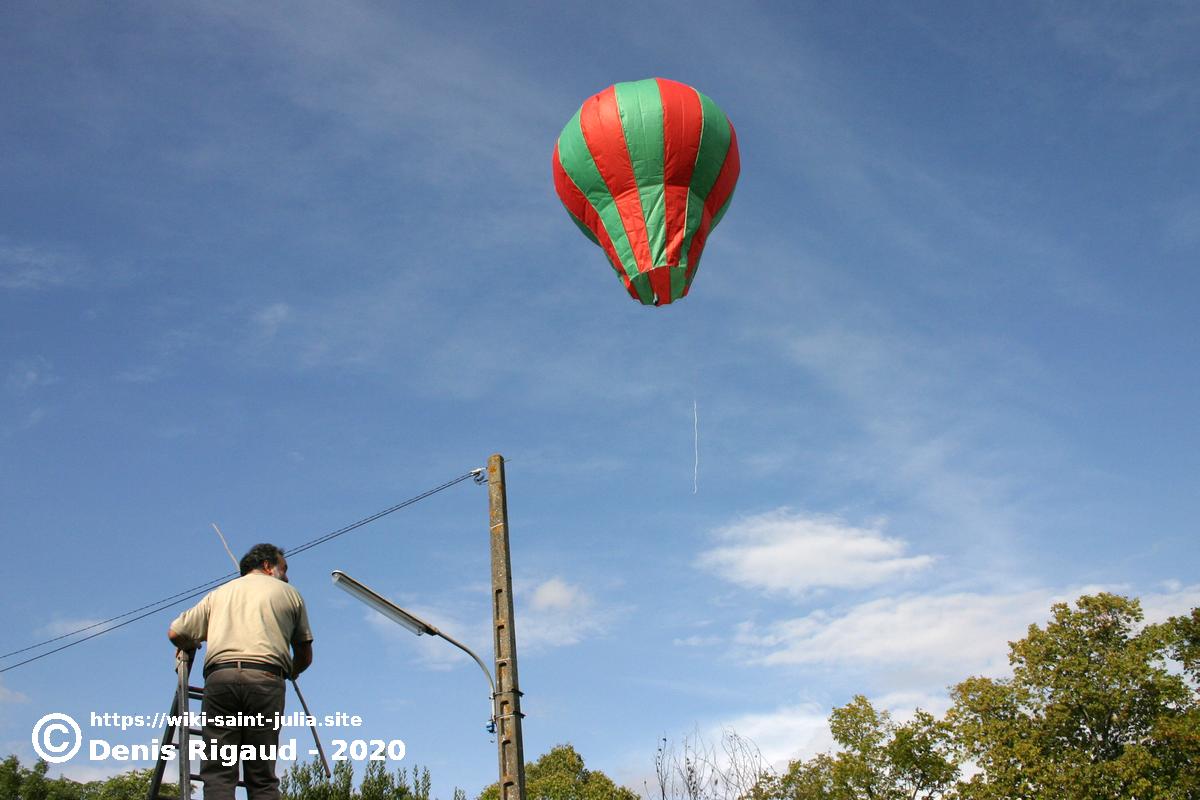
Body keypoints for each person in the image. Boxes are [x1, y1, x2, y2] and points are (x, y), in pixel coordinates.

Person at [168, 543, 313, 800]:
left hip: (220, 679)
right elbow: (304, 653)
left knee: (219, 773)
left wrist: (192, 643)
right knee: (262, 777)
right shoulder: (290, 594)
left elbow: (176, 632)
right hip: (267, 680)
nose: (287, 575)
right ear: (268, 566)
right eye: (284, 567)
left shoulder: (220, 593)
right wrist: (292, 671)